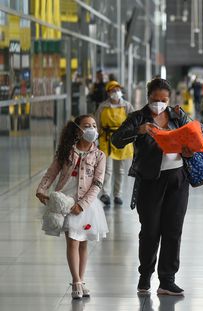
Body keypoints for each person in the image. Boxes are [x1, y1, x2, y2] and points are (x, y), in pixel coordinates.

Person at [111, 77, 193, 296]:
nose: (159, 103)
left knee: (173, 230)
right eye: (155, 99)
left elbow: (194, 137)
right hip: (150, 181)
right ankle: (145, 275)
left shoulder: (178, 114)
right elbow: (116, 140)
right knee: (150, 231)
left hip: (177, 179)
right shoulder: (138, 117)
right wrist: (139, 130)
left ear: (169, 98)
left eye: (164, 99)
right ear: (148, 98)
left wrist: (189, 150)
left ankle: (167, 279)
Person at [35, 115, 109, 299]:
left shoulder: (100, 155)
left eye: (94, 125)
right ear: (78, 130)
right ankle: (75, 280)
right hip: (65, 202)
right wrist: (41, 189)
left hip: (86, 206)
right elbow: (52, 171)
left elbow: (98, 184)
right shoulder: (67, 151)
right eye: (87, 125)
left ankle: (81, 280)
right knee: (72, 241)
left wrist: (82, 205)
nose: (91, 129)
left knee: (83, 243)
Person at [95, 80, 134, 206]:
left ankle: (118, 194)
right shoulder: (102, 107)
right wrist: (95, 139)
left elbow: (133, 122)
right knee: (107, 169)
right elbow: (97, 123)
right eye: (113, 90)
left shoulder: (127, 106)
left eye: (117, 89)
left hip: (122, 141)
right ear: (108, 92)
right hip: (106, 140)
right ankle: (105, 194)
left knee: (120, 170)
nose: (116, 92)